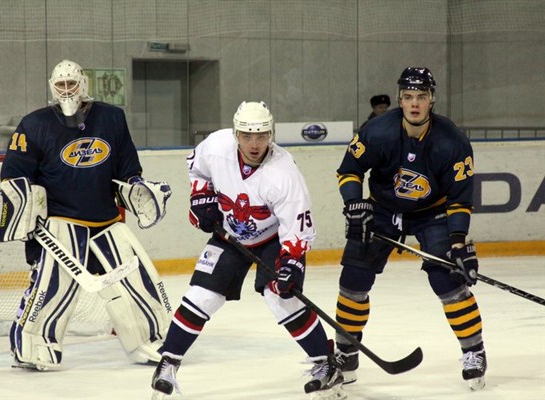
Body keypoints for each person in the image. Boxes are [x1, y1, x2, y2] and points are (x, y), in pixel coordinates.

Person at [150, 101, 346, 399]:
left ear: (271, 135)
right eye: (247, 136)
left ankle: (325, 363)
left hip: (274, 238)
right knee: (202, 295)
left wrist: (291, 264)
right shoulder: (216, 146)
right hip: (230, 235)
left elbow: (297, 225)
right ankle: (168, 363)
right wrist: (201, 196)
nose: (254, 144)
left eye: (262, 136)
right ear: (235, 134)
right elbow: (197, 168)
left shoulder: (283, 173)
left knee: (280, 298)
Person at [0, 59, 173, 370]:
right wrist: (26, 208)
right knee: (54, 289)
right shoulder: (34, 124)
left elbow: (127, 168)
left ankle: (152, 340)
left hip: (106, 220)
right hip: (61, 223)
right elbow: (14, 174)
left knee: (138, 280)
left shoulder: (111, 118)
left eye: (72, 83)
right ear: (52, 87)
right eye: (61, 85)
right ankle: (34, 346)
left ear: (83, 84)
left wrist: (136, 187)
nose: (67, 90)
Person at [334, 67, 487, 390]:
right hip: (382, 208)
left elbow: (459, 200)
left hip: (433, 213)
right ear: (399, 100)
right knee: (353, 278)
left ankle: (474, 351)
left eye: (421, 96)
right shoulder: (378, 131)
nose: (414, 103)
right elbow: (349, 170)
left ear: (432, 99)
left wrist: (457, 243)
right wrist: (354, 205)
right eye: (408, 97)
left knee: (447, 281)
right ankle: (346, 352)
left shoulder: (453, 142)